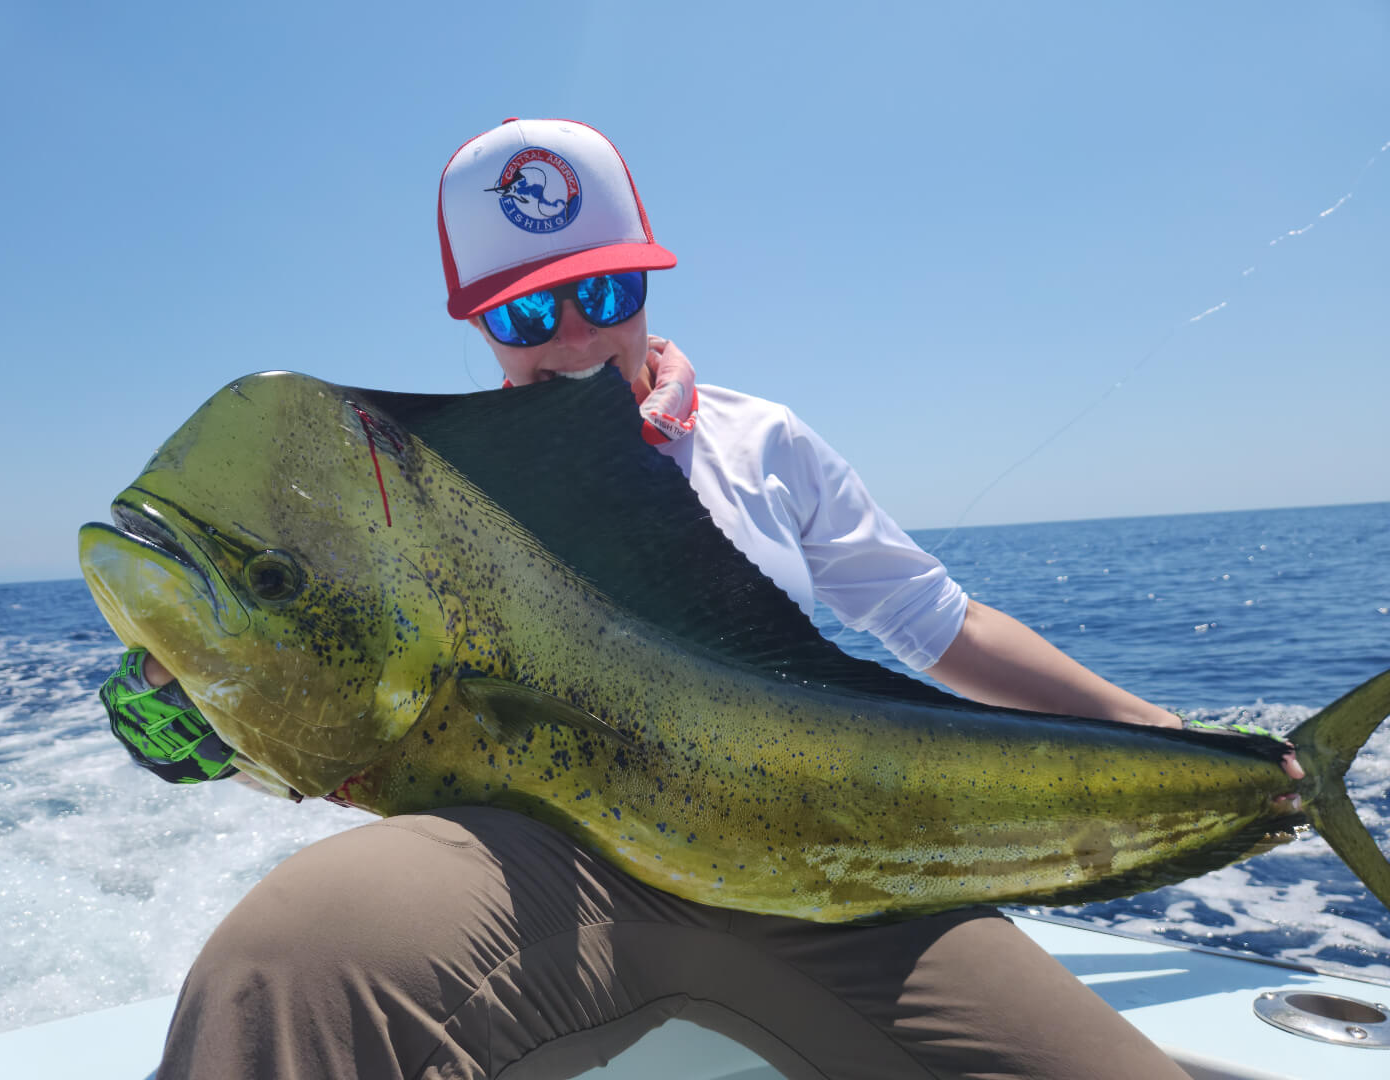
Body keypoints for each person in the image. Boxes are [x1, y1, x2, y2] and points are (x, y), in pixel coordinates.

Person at [113, 119, 1300, 1079]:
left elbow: (944, 628)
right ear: (475, 319)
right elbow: (321, 682)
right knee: (292, 953)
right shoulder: (413, 505)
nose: (575, 339)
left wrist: (1154, 730)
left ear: (646, 280)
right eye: (528, 312)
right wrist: (205, 723)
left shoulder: (766, 441)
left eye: (606, 292)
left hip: (821, 860)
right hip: (542, 866)